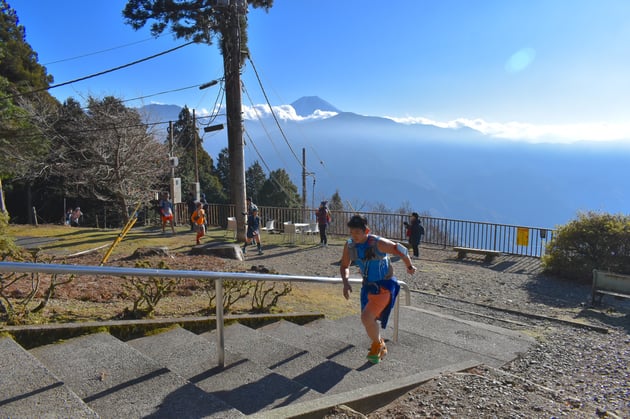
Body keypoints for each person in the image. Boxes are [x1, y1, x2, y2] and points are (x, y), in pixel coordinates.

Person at [339, 214, 417, 364]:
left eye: (357, 233)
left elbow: (399, 249)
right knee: (368, 320)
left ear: (366, 230)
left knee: (366, 318)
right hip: (367, 287)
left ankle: (377, 345)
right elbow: (344, 266)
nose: (354, 236)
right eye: (352, 232)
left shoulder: (377, 243)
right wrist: (345, 282)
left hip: (384, 286)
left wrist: (409, 266)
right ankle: (378, 343)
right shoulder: (350, 245)